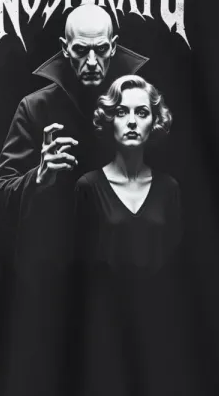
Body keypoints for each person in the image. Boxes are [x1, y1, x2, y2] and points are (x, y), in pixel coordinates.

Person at [0, 3, 148, 263]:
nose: (92, 62)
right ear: (65, 48)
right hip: (54, 266)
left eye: (101, 49)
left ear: (113, 46)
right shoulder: (35, 108)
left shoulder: (141, 106)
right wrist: (37, 178)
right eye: (81, 50)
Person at [73, 74, 182, 274]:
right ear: (110, 119)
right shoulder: (88, 187)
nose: (132, 122)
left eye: (141, 113)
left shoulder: (168, 188)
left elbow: (176, 265)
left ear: (154, 121)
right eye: (121, 112)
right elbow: (79, 265)